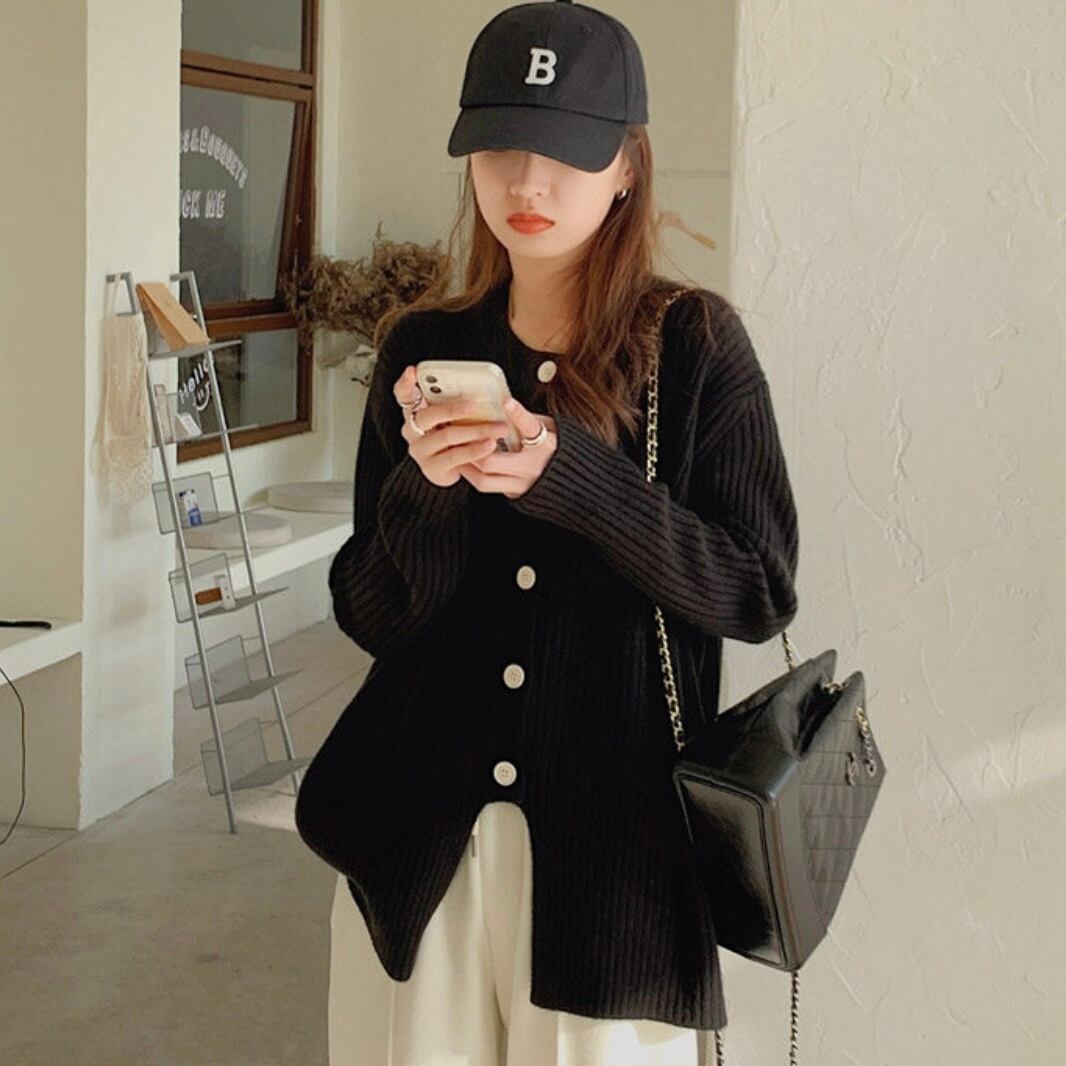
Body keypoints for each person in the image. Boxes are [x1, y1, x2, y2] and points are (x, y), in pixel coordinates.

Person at [296, 2, 800, 1064]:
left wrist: (570, 476)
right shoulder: (420, 347)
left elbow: (755, 590)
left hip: (613, 864)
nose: (527, 184)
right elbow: (369, 613)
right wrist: (430, 491)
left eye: (565, 152)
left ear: (626, 166)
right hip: (419, 844)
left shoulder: (694, 346)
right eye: (500, 149)